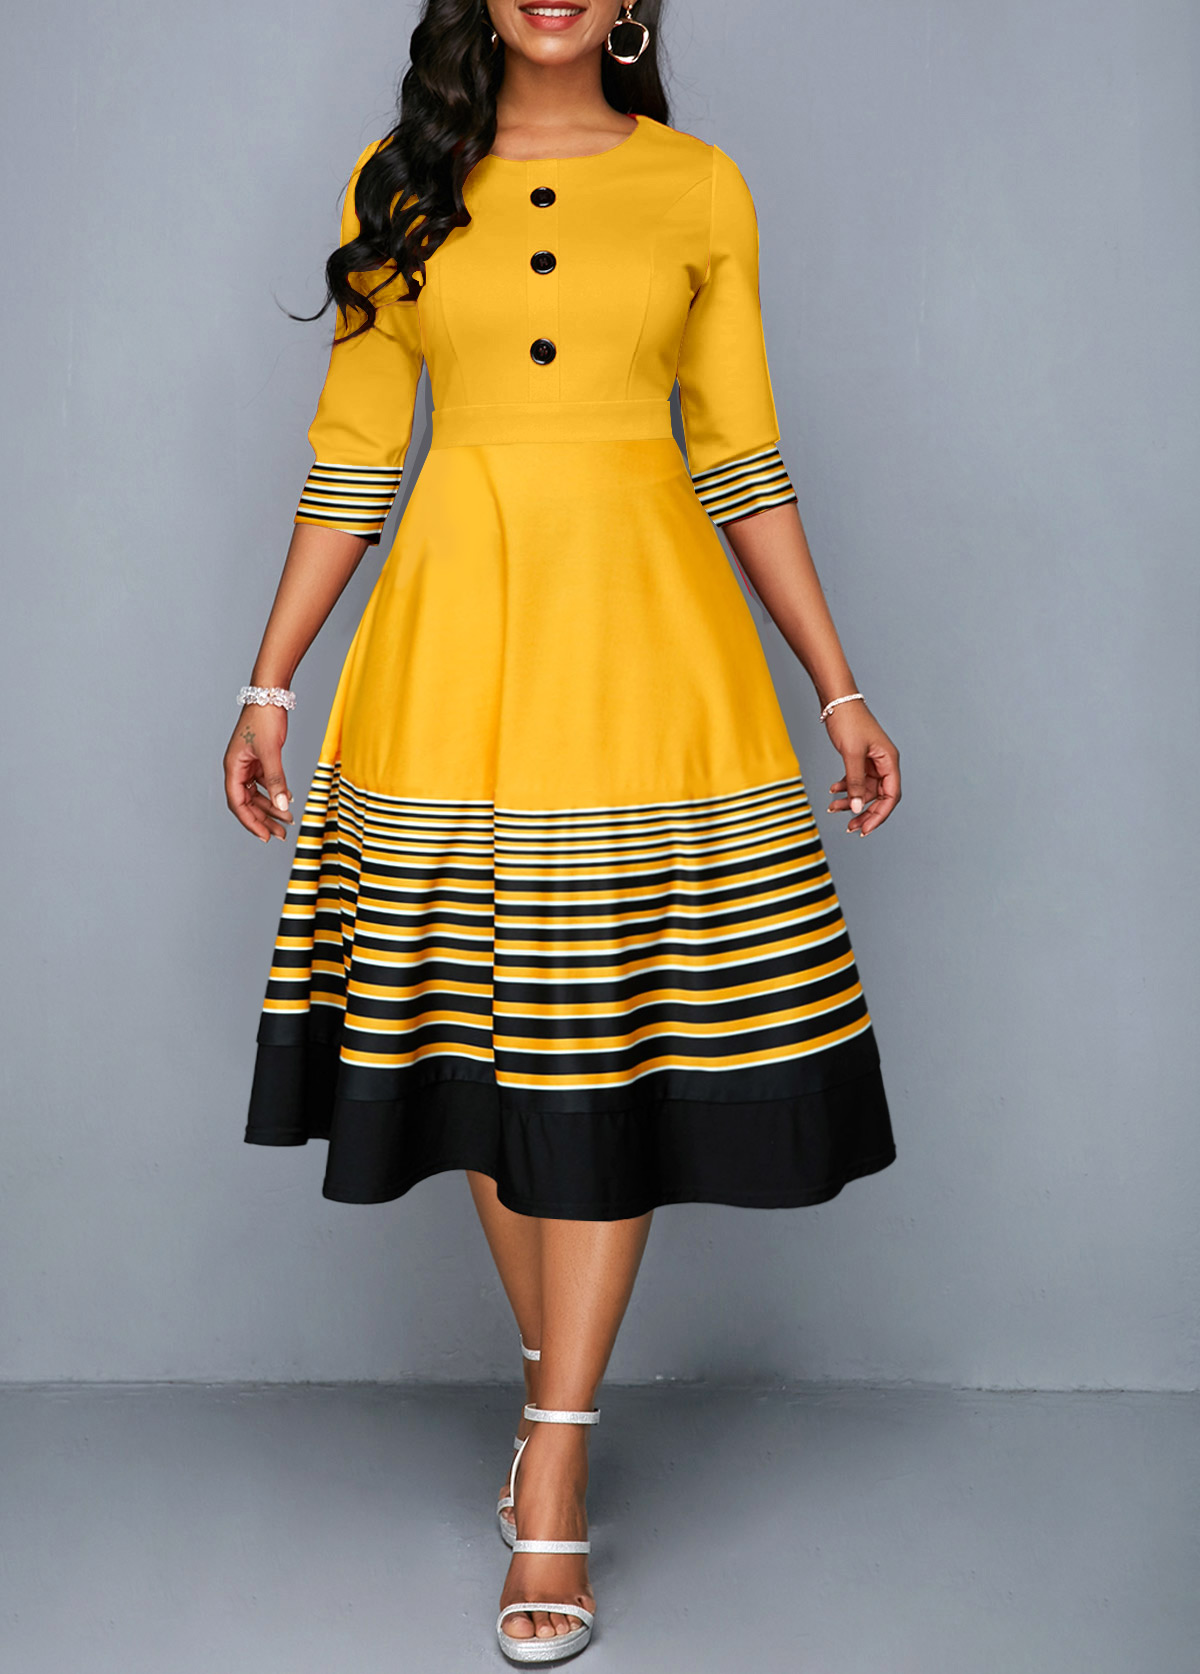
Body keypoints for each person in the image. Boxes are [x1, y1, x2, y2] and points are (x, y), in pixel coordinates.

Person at [223, 0, 901, 1660]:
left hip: (640, 647)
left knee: (601, 1035)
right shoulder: (400, 178)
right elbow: (355, 452)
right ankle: (556, 1393)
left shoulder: (699, 185)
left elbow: (742, 455)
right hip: (452, 645)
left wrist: (839, 688)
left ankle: (554, 1468)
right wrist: (268, 682)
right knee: (484, 1041)